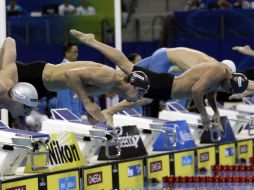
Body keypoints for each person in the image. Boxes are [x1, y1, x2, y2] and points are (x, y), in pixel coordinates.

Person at [70, 29, 249, 132]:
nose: (228, 91)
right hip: (166, 84)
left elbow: (210, 95)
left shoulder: (220, 78)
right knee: (125, 68)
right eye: (230, 89)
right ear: (230, 77)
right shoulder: (218, 69)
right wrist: (203, 115)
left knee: (123, 83)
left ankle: (87, 94)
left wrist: (215, 114)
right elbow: (196, 91)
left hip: (166, 87)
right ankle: (93, 42)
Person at [0, 37, 38, 118]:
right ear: (17, 99)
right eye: (27, 108)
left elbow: (10, 41)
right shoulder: (2, 87)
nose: (28, 114)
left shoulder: (10, 76)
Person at [55, 42, 86, 118]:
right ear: (67, 53)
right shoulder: (63, 68)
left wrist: (82, 111)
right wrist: (69, 116)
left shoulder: (73, 68)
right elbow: (63, 94)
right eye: (75, 52)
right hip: (69, 114)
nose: (77, 54)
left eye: (77, 52)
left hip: (76, 112)